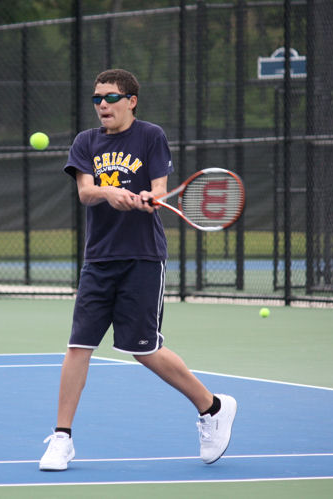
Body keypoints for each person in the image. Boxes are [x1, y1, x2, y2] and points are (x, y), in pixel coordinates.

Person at [39, 69, 236, 472]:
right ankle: (62, 438)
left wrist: (148, 196)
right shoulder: (86, 142)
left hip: (143, 257)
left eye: (110, 98)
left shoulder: (150, 135)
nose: (102, 106)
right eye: (96, 99)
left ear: (131, 100)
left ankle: (213, 407)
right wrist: (110, 192)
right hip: (98, 260)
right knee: (79, 345)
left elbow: (161, 190)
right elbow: (85, 192)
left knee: (142, 349)